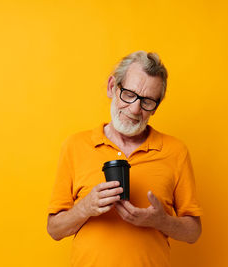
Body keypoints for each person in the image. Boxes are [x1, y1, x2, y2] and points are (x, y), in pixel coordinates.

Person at [47, 51, 203, 267]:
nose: (135, 109)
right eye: (129, 94)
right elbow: (54, 230)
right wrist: (85, 208)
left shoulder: (176, 151)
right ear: (113, 87)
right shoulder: (75, 146)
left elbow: (193, 232)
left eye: (147, 101)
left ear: (156, 107)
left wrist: (161, 220)